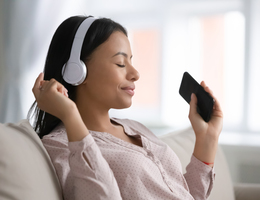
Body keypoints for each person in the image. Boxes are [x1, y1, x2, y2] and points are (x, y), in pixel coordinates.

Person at [30, 15, 223, 200]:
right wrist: (71, 116)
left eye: (130, 61)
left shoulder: (135, 128)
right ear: (76, 71)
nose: (135, 73)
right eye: (120, 63)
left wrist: (208, 137)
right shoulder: (60, 145)